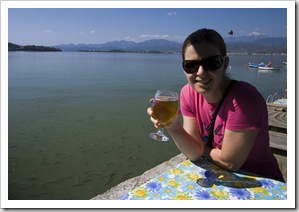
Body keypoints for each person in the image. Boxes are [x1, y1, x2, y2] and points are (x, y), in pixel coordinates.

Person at [147, 28, 285, 182]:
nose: (200, 72)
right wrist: (172, 125)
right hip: (216, 177)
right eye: (191, 65)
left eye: (211, 63)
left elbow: (230, 162)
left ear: (224, 64)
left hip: (262, 183)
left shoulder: (244, 100)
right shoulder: (187, 93)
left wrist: (200, 148)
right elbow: (192, 153)